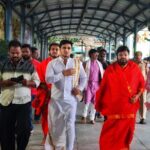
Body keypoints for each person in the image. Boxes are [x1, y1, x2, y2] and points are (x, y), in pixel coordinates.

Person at [95, 46, 145, 150]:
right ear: (117, 56)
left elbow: (141, 84)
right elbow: (103, 87)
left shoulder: (134, 68)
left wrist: (137, 96)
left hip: (129, 107)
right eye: (120, 55)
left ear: (128, 56)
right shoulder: (110, 69)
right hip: (113, 108)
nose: (123, 57)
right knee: (109, 135)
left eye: (125, 55)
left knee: (126, 136)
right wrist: (99, 103)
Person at [45, 40, 87, 150]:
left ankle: (69, 148)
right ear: (60, 49)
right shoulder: (52, 63)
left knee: (70, 125)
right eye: (64, 47)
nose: (66, 50)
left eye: (68, 48)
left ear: (71, 50)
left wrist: (79, 88)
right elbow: (48, 79)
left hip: (71, 100)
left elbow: (83, 78)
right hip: (56, 100)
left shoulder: (77, 62)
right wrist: (62, 74)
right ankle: (56, 147)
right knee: (56, 126)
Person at [0, 40, 40, 150]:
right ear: (9, 52)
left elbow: (37, 82)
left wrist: (28, 83)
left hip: (24, 102)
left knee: (25, 130)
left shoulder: (29, 66)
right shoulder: (2, 64)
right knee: (6, 132)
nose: (15, 55)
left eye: (17, 53)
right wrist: (5, 83)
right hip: (6, 101)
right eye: (13, 53)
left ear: (21, 52)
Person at [32, 42, 60, 143]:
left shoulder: (64, 64)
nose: (55, 51)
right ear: (49, 51)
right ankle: (46, 136)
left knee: (58, 118)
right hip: (46, 94)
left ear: (59, 51)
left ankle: (55, 136)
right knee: (46, 118)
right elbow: (38, 80)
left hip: (60, 96)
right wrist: (48, 90)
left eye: (57, 49)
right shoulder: (42, 64)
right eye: (53, 49)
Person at [81, 49, 104, 124]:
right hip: (88, 84)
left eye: (97, 54)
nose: (97, 56)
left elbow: (102, 75)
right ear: (90, 55)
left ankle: (92, 118)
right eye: (95, 54)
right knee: (87, 101)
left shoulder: (99, 64)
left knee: (95, 102)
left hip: (97, 85)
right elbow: (81, 75)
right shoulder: (85, 63)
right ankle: (84, 116)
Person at [133, 51, 148, 124]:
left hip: (143, 85)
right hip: (133, 85)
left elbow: (147, 74)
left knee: (143, 100)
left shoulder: (145, 64)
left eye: (139, 57)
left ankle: (142, 117)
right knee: (133, 100)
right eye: (136, 57)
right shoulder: (131, 64)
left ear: (141, 56)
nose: (137, 58)